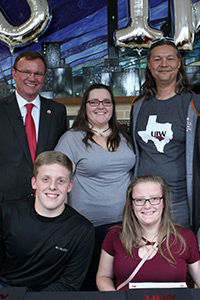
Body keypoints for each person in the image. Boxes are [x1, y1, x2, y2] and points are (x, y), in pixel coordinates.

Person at [0, 51, 67, 242]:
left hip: (45, 206)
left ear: (44, 77)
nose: (32, 78)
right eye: (26, 72)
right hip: (0, 210)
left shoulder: (57, 112)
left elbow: (61, 161)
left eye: (38, 74)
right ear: (14, 74)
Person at [129, 39, 200, 231]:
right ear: (149, 65)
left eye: (170, 59)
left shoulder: (197, 107)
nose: (164, 64)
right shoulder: (138, 106)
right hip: (144, 203)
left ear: (179, 63)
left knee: (179, 256)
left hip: (181, 203)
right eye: (157, 59)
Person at [0, 151, 95, 291]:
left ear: (69, 186)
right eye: (45, 179)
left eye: (61, 181)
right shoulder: (9, 213)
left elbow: (68, 283)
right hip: (7, 291)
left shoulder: (82, 229)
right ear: (34, 183)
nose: (52, 186)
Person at [55, 83, 135, 290]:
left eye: (106, 101)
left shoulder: (124, 137)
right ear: (85, 106)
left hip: (125, 227)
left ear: (112, 106)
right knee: (92, 286)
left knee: (122, 284)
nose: (101, 106)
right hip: (89, 229)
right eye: (94, 101)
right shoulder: (71, 139)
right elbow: (59, 183)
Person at [96, 175, 200, 291]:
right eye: (139, 200)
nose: (147, 206)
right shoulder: (115, 235)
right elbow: (103, 276)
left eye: (154, 199)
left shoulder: (185, 237)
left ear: (164, 202)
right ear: (131, 204)